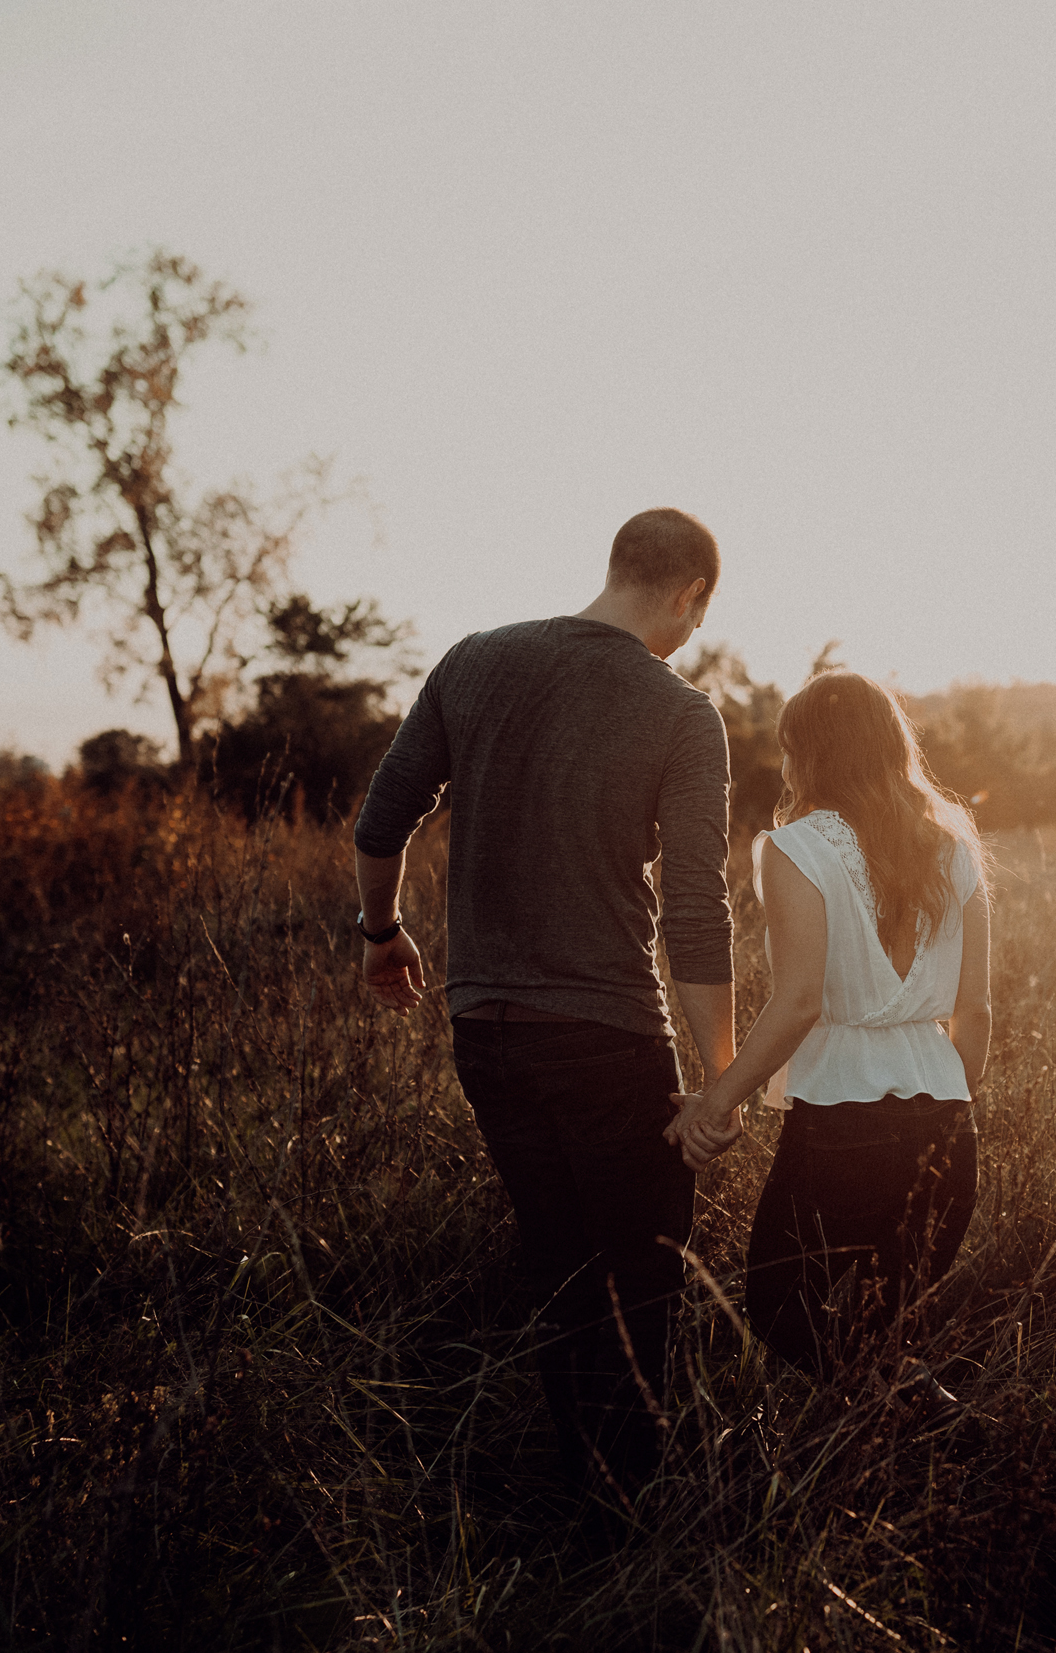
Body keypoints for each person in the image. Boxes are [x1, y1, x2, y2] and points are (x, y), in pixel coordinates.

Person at [351, 508, 738, 1500]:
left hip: (484, 1028)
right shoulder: (682, 712)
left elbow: (383, 813)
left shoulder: (473, 661)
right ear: (689, 594)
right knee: (647, 1272)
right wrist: (721, 1077)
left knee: (560, 1260)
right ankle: (637, 1507)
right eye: (700, 612)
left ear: (615, 566)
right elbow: (697, 907)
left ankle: (582, 1484)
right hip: (608, 1032)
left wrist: (381, 932)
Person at [666, 669, 989, 1387]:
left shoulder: (796, 848)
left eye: (788, 749)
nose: (784, 766)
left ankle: (913, 1422)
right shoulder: (955, 849)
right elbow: (977, 1011)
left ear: (809, 753)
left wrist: (716, 1104)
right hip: (948, 1116)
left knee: (781, 1308)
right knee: (886, 1321)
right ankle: (912, 1432)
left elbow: (799, 1000)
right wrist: (946, 1103)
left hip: (845, 1121)